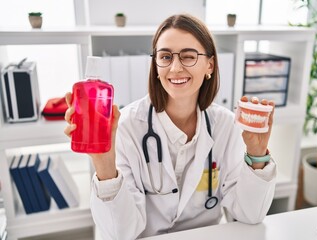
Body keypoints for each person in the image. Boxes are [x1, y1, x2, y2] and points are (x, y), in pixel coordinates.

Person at [64, 14, 276, 240]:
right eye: (165, 57)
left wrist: (257, 154)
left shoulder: (225, 125)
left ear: (209, 65)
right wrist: (104, 166)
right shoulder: (126, 127)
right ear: (156, 66)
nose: (175, 68)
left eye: (188, 56)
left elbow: (250, 214)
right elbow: (121, 233)